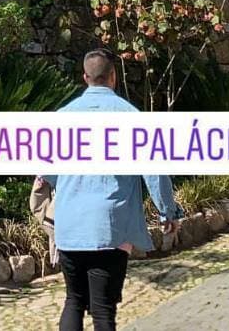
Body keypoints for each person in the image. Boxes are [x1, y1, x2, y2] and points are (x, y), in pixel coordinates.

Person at [42, 48, 182, 331]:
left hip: (70, 227)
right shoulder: (131, 117)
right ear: (113, 77)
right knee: (104, 311)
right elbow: (154, 173)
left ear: (85, 78)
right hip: (110, 227)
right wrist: (168, 212)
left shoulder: (62, 117)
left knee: (73, 300)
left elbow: (48, 173)